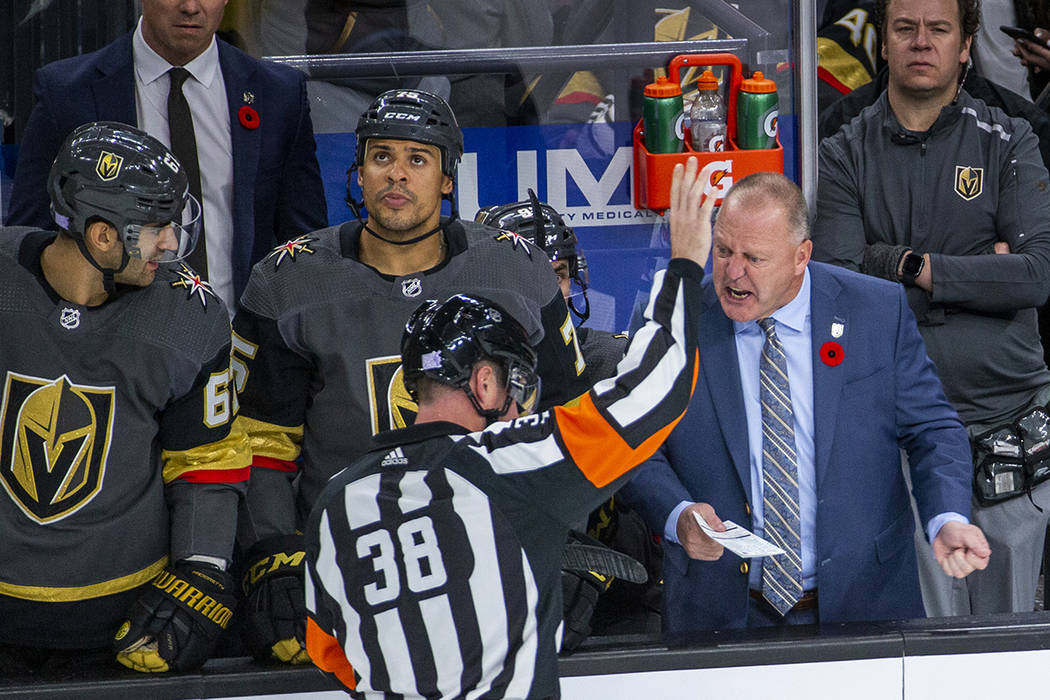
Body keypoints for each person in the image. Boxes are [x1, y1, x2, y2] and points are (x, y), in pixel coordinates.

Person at [303, 156, 715, 699]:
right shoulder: (509, 465)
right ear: (484, 384)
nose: (522, 406)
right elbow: (656, 389)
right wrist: (684, 265)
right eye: (517, 382)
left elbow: (326, 649)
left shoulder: (334, 503)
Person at [230, 88, 592, 665]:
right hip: (350, 562)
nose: (396, 175)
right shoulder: (288, 279)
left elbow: (569, 419)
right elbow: (263, 443)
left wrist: (568, 535)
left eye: (417, 160)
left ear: (448, 179)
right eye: (382, 157)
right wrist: (275, 553)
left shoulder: (514, 266)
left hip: (493, 550)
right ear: (359, 168)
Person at [622, 170, 988, 633]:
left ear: (801, 257)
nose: (733, 273)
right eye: (723, 251)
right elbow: (631, 441)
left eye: (754, 258)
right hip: (718, 613)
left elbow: (932, 429)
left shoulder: (876, 311)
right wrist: (676, 515)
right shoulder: (674, 314)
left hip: (865, 604)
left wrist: (947, 515)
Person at [814, 0, 1050, 616]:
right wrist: (979, 269)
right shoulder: (842, 149)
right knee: (920, 653)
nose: (922, 42)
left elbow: (1035, 276)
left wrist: (907, 266)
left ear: (966, 44)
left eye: (940, 29)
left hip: (1011, 424)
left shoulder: (1011, 136)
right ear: (884, 44)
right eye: (905, 28)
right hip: (900, 434)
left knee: (1012, 650)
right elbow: (837, 283)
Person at [0, 122, 249, 674]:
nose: (171, 242)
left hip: (127, 621)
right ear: (102, 235)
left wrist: (202, 569)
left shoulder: (191, 313)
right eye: (155, 227)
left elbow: (207, 461)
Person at [5, 0, 328, 311]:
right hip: (113, 345)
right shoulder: (67, 93)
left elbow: (304, 240)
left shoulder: (278, 94)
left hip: (242, 340)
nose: (190, 7)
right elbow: (32, 237)